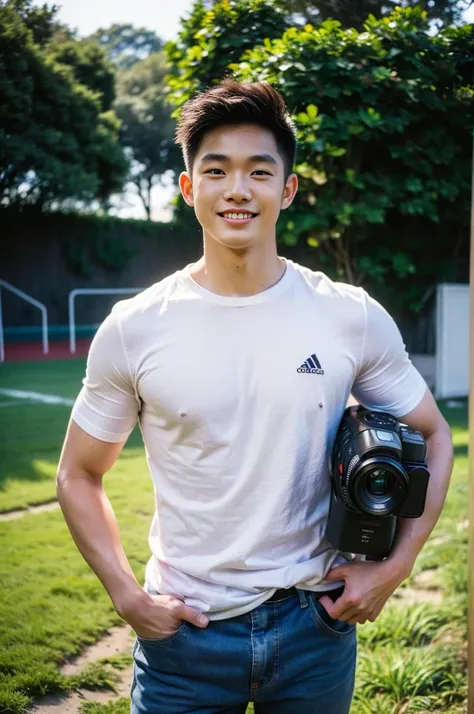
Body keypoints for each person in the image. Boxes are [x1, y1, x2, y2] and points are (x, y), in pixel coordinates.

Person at [57, 80, 453, 714]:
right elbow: (78, 474)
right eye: (216, 170)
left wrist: (395, 565)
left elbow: (434, 434)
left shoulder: (347, 315)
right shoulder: (135, 327)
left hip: (314, 628)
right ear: (189, 189)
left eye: (258, 171)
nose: (237, 189)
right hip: (185, 638)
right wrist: (126, 595)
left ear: (287, 189)